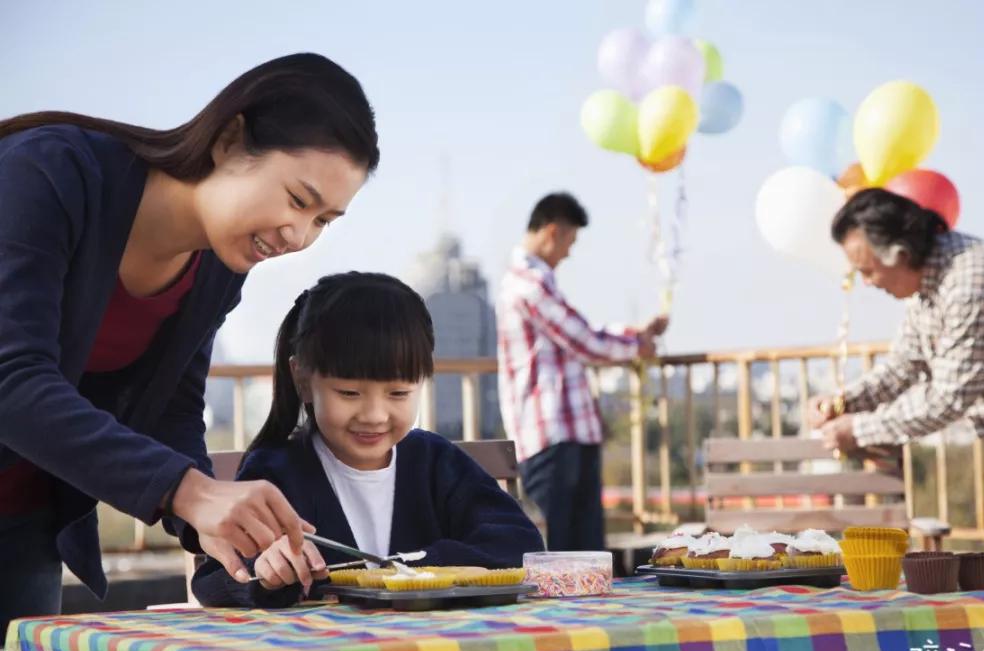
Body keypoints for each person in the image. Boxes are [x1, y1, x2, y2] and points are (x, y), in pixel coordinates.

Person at [0, 53, 379, 636]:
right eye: (298, 201)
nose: (298, 236)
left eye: (323, 221)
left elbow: (171, 413)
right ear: (230, 140)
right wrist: (187, 491)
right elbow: (11, 379)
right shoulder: (49, 173)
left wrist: (210, 523)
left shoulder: (218, 265)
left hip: (23, 519)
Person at [193, 272, 544, 608]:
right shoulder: (275, 471)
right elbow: (214, 580)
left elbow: (519, 543)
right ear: (301, 379)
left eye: (398, 393)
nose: (375, 415)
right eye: (349, 393)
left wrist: (427, 567)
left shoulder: (436, 461)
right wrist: (264, 572)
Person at [810, 188, 984, 561]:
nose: (868, 283)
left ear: (899, 254)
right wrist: (844, 402)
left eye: (867, 270)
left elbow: (947, 399)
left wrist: (857, 429)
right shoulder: (929, 280)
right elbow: (904, 363)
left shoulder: (974, 282)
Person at [496, 192, 668, 552]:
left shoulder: (533, 283)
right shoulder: (527, 284)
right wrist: (638, 346)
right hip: (551, 435)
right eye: (570, 241)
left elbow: (579, 334)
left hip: (568, 432)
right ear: (553, 232)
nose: (569, 252)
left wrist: (636, 335)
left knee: (585, 551)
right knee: (562, 551)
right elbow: (583, 340)